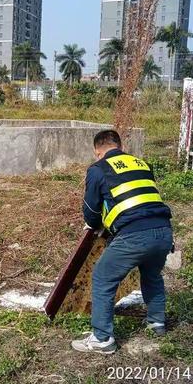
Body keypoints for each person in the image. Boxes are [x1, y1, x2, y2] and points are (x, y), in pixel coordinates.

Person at [72, 130, 173, 354]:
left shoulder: (98, 169)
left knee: (102, 277)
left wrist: (93, 223)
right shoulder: (142, 164)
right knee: (152, 275)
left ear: (97, 151)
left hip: (133, 235)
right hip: (164, 232)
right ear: (119, 145)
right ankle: (157, 323)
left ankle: (102, 338)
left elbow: (90, 209)